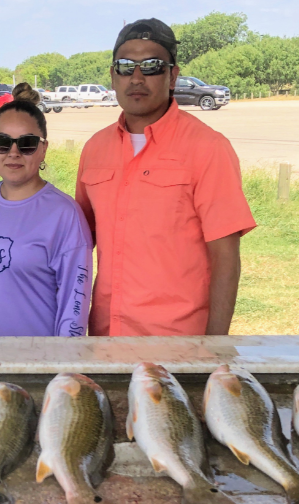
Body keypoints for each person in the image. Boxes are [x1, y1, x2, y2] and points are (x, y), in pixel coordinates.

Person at [75, 18, 256, 337]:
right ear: (113, 77)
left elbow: (225, 258)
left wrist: (212, 350)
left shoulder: (207, 148)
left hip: (178, 345)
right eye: (125, 65)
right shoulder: (95, 149)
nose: (137, 77)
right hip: (105, 341)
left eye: (152, 65)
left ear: (173, 75)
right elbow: (77, 244)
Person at [0, 83, 92, 337]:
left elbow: (73, 309)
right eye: (2, 142)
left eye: (27, 143)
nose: (13, 153)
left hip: (33, 366)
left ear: (43, 149)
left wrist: (59, 369)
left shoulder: (65, 215)